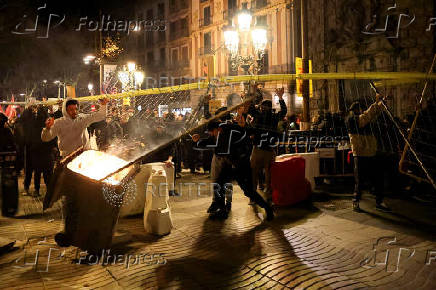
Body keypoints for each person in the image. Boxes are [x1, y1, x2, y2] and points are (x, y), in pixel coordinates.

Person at [192, 121, 274, 221]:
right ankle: (222, 211)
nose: (211, 135)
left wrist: (238, 159)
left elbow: (225, 147)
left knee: (249, 191)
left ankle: (268, 208)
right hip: (230, 165)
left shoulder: (232, 133)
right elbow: (211, 141)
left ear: (217, 129)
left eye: (211, 132)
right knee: (219, 183)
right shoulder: (219, 134)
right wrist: (198, 141)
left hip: (241, 166)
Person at [346, 94, 391, 212]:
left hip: (371, 153)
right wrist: (377, 104)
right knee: (360, 181)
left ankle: (379, 201)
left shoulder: (365, 120)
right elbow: (366, 117)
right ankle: (356, 200)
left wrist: (381, 104)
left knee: (378, 179)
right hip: (360, 154)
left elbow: (371, 116)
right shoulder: (352, 120)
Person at [248, 88, 287, 201]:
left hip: (257, 149)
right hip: (269, 150)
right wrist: (280, 97)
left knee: (254, 173)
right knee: (269, 174)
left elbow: (250, 108)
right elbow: (284, 111)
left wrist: (251, 91)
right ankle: (268, 194)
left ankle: (253, 196)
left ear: (262, 108)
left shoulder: (258, 116)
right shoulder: (274, 117)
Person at [41, 97, 108, 157]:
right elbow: (46, 138)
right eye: (71, 109)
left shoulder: (82, 119)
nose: (74, 112)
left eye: (76, 109)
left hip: (84, 156)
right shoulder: (59, 122)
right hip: (68, 157)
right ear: (65, 110)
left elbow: (99, 116)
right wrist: (47, 128)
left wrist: (103, 105)